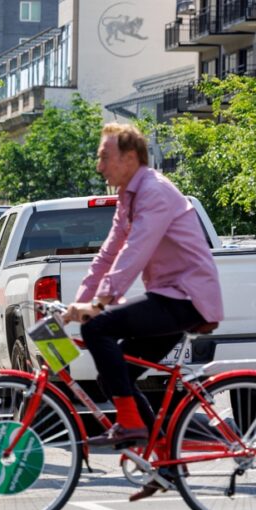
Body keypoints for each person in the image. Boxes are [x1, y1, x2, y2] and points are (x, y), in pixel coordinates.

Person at [62, 123, 223, 448]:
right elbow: (108, 254)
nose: (99, 166)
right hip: (168, 297)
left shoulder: (154, 191)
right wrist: (77, 304)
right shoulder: (129, 196)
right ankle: (163, 459)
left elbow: (134, 252)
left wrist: (99, 304)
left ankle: (133, 426)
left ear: (131, 157)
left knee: (98, 329)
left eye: (105, 157)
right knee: (112, 376)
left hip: (187, 298)